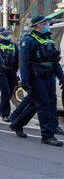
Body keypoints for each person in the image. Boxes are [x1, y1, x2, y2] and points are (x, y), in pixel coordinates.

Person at [9, 16, 64, 145]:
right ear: (38, 25)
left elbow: (54, 61)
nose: (47, 25)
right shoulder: (28, 41)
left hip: (49, 77)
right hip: (37, 78)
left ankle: (17, 124)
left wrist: (61, 77)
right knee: (44, 105)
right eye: (45, 23)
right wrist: (25, 81)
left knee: (47, 104)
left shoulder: (48, 40)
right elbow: (23, 63)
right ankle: (47, 136)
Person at [0, 27, 19, 123]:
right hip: (1, 71)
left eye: (8, 34)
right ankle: (5, 114)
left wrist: (17, 70)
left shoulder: (13, 45)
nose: (7, 36)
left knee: (10, 91)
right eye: (5, 34)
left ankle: (0, 107)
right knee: (5, 91)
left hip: (12, 71)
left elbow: (18, 57)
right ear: (0, 35)